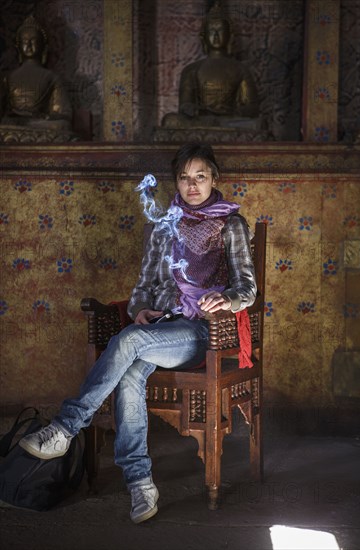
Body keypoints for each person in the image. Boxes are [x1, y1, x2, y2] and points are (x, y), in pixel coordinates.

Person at [19, 143, 257, 524]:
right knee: (130, 370)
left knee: (128, 340)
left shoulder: (230, 224)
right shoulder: (163, 227)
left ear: (215, 179)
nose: (192, 185)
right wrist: (137, 309)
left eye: (200, 176)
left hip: (199, 332)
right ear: (176, 182)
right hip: (160, 328)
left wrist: (224, 300)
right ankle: (141, 483)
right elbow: (142, 288)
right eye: (184, 177)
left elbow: (247, 289)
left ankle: (65, 427)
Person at [162, 2, 259, 129]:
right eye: (212, 31)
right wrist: (192, 109)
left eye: (220, 30)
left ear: (230, 35)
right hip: (202, 120)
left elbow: (252, 108)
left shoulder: (240, 69)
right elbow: (185, 105)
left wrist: (232, 113)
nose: (216, 36)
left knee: (257, 124)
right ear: (204, 37)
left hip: (230, 121)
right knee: (169, 121)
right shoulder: (191, 70)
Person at [0, 15, 73, 141]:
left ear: (43, 47)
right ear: (18, 47)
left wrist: (44, 118)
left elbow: (64, 114)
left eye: (33, 41)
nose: (28, 45)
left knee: (62, 126)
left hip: (38, 124)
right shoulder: (8, 77)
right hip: (13, 125)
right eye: (24, 41)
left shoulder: (52, 77)